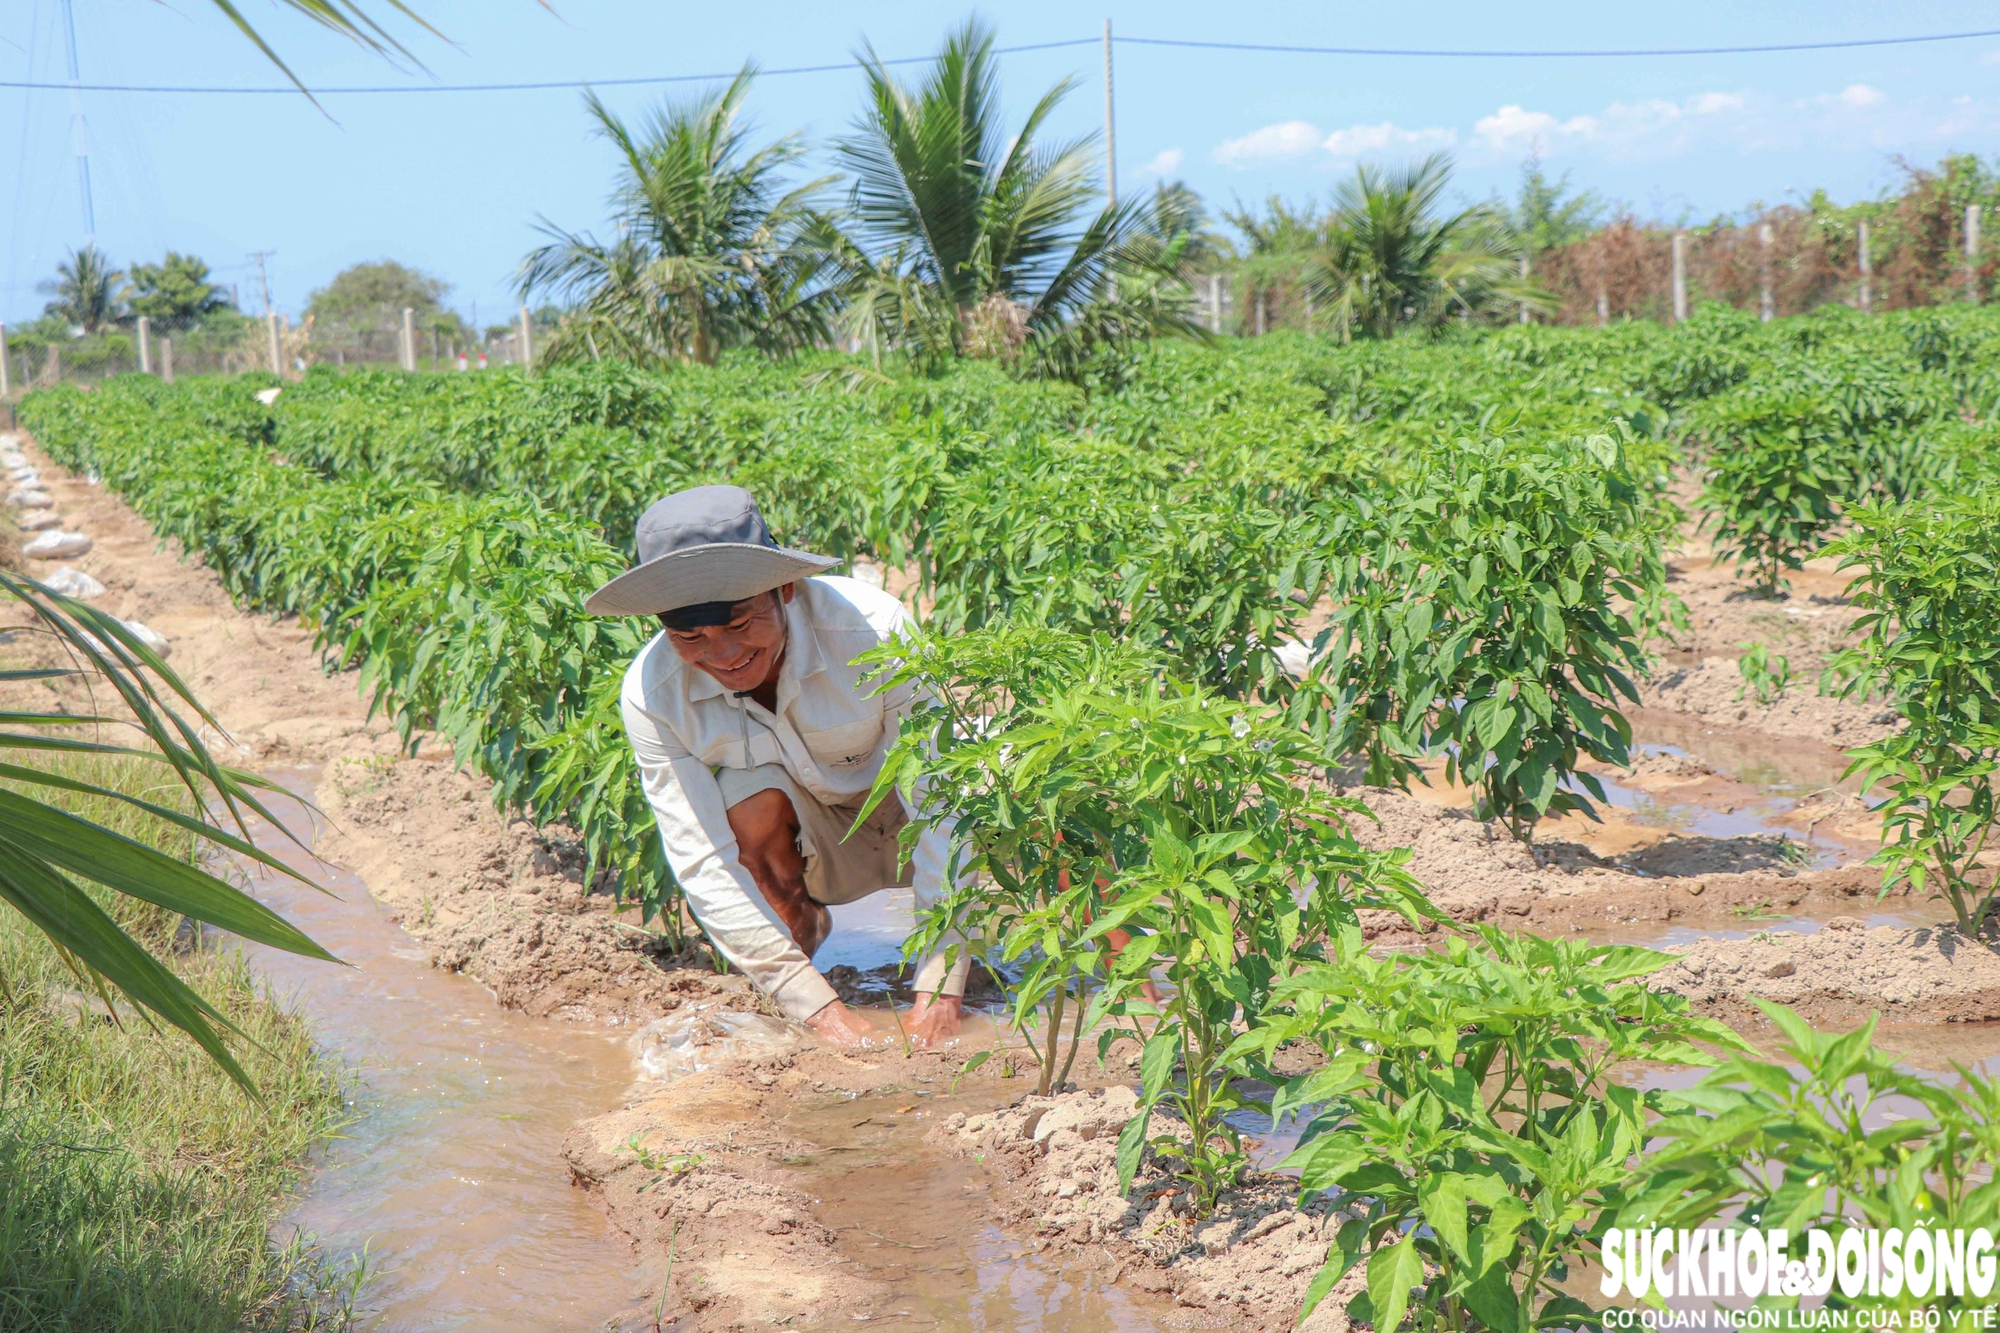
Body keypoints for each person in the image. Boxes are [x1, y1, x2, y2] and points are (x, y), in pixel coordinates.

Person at [585, 485, 968, 1048]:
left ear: (785, 588)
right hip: (821, 842)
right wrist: (820, 1012)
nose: (722, 655)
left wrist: (940, 988)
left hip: (905, 806)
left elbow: (941, 799)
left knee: (1039, 793)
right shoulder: (653, 694)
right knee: (748, 805)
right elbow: (702, 859)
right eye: (690, 636)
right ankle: (802, 945)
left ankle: (1133, 991)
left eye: (741, 626)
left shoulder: (872, 629)